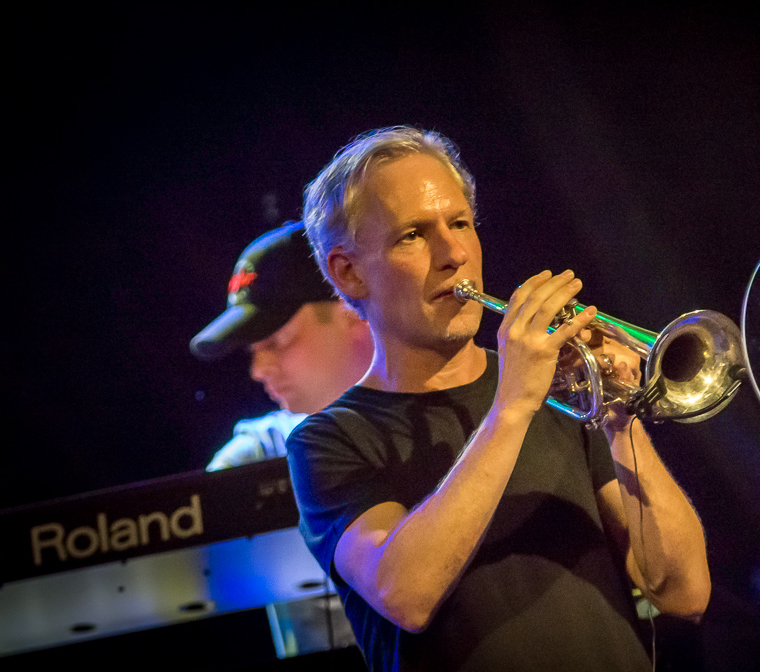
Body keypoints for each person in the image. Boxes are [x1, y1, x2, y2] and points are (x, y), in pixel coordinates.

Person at [286, 126, 712, 671]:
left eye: (460, 223)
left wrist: (620, 420)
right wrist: (512, 404)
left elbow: (684, 593)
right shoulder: (328, 440)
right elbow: (406, 593)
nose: (454, 253)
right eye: (413, 235)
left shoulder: (565, 398)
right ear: (348, 272)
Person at [191, 221, 373, 471]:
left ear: (352, 312)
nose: (257, 371)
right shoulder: (262, 451)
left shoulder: (429, 426)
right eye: (252, 350)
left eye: (275, 342)